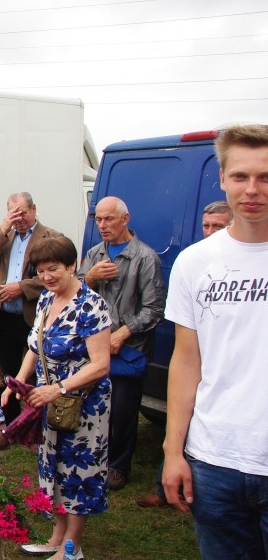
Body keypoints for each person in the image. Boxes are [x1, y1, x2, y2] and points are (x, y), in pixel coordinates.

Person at [162, 124, 268, 559]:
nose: (252, 190)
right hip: (214, 463)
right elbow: (186, 362)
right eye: (240, 177)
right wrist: (173, 450)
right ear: (222, 178)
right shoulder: (193, 262)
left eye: (265, 177)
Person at [1, 236, 112, 560]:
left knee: (80, 473)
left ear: (72, 266)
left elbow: (101, 364)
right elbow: (34, 350)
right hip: (50, 402)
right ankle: (56, 537)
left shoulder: (91, 305)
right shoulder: (47, 301)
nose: (47, 276)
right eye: (41, 271)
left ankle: (72, 548)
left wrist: (60, 388)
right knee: (54, 468)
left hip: (85, 405)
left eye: (54, 269)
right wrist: (17, 382)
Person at [135, 198, 235, 510]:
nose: (210, 231)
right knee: (178, 426)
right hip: (196, 365)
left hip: (227, 373)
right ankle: (167, 488)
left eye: (217, 226)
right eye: (206, 226)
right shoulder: (196, 262)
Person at [79, 197, 165, 492]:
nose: (102, 225)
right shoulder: (94, 253)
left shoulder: (144, 257)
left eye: (109, 219)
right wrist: (89, 277)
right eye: (98, 220)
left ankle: (117, 465)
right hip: (93, 347)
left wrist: (123, 333)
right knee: (93, 405)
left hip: (127, 350)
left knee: (123, 411)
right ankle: (94, 457)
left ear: (125, 219)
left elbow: (153, 309)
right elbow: (75, 292)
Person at [0, 191, 63, 423]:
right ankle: (10, 419)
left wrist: (21, 287)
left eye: (23, 212)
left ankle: (36, 419)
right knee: (6, 370)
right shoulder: (5, 237)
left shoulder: (51, 237)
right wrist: (2, 229)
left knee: (37, 371)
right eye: (13, 214)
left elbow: (58, 275)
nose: (19, 218)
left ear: (34, 210)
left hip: (35, 317)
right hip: (3, 316)